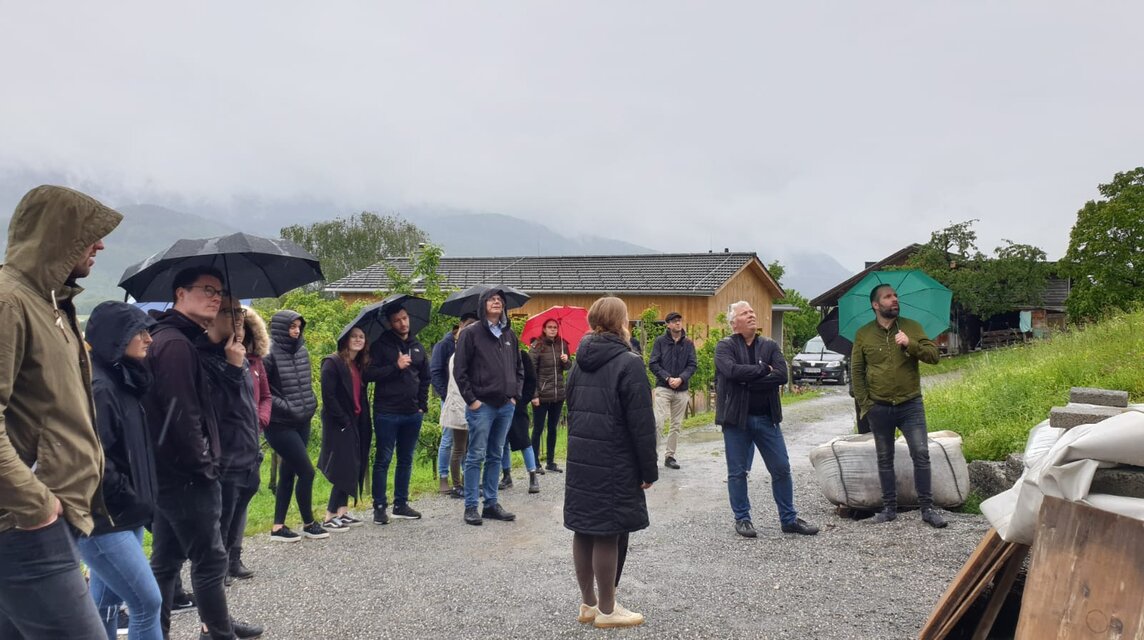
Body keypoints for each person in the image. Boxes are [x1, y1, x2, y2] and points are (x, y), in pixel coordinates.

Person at [0, 185, 122, 639]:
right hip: (25, 525)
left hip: (41, 520)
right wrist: (38, 505)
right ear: (56, 237)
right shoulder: (9, 302)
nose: (100, 244)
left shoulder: (47, 302)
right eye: (89, 234)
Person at [144, 266, 262, 639]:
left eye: (220, 292)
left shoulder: (176, 338)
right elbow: (183, 415)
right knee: (210, 561)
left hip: (173, 473)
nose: (215, 297)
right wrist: (205, 467)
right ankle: (218, 634)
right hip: (187, 475)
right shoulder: (176, 344)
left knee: (165, 562)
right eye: (207, 290)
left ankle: (161, 632)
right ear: (180, 293)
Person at [564, 296, 658, 629]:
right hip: (615, 458)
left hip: (581, 456)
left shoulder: (578, 361)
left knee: (584, 527)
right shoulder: (628, 363)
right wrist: (648, 469)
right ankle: (608, 610)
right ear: (620, 323)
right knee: (608, 530)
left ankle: (588, 604)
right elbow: (642, 424)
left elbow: (570, 409)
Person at [80, 302, 163, 640]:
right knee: (147, 603)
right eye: (139, 332)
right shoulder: (101, 388)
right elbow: (93, 462)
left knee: (106, 604)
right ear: (116, 338)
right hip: (105, 520)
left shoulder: (124, 380)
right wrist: (133, 501)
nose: (149, 339)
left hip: (127, 514)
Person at [715, 300, 819, 539]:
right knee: (737, 472)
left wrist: (747, 379)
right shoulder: (724, 347)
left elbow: (782, 375)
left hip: (766, 418)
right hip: (736, 421)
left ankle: (789, 519)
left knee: (781, 468)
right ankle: (742, 519)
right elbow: (731, 372)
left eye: (752, 311)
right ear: (734, 323)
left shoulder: (769, 345)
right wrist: (763, 370)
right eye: (745, 313)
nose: (752, 315)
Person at [851, 284, 947, 528]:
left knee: (921, 453)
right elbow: (857, 371)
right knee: (884, 458)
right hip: (879, 407)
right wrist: (866, 405)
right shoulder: (863, 334)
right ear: (876, 305)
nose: (894, 299)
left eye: (895, 295)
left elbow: (934, 356)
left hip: (910, 405)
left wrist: (910, 343)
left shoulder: (911, 327)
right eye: (888, 297)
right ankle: (888, 509)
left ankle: (927, 509)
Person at [197, 297, 262, 587]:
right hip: (225, 455)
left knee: (238, 514)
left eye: (240, 312)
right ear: (212, 316)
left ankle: (233, 560)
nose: (238, 318)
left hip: (249, 450)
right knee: (221, 521)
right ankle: (217, 575)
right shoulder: (204, 358)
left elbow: (249, 404)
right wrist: (233, 368)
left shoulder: (240, 354)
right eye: (230, 312)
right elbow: (218, 408)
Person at [453, 288, 524, 526]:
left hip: (505, 405)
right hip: (481, 406)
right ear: (483, 305)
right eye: (492, 299)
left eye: (500, 300)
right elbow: (459, 371)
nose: (496, 302)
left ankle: (491, 504)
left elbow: (519, 367)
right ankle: (471, 505)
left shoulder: (508, 335)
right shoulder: (471, 334)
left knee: (496, 454)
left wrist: (515, 395)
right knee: (476, 455)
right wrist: (472, 400)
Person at [365, 304, 430, 524]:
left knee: (406, 460)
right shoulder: (380, 346)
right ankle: (380, 506)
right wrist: (396, 365)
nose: (402, 323)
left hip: (412, 413)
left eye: (404, 318)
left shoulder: (418, 346)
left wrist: (422, 405)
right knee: (383, 459)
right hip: (387, 412)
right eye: (397, 320)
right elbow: (369, 374)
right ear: (390, 323)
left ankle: (400, 504)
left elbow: (425, 378)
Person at [263, 311, 325, 541]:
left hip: (302, 420)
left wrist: (310, 402)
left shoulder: (303, 351)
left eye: (298, 326)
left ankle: (278, 527)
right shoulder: (268, 353)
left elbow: (305, 384)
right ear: (280, 328)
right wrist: (288, 407)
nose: (296, 330)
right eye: (291, 327)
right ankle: (309, 522)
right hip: (279, 424)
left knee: (288, 471)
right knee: (306, 472)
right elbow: (264, 392)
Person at [228, 305, 273, 580]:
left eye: (243, 325)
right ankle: (218, 563)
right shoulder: (222, 359)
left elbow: (266, 396)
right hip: (230, 442)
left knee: (244, 498)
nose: (239, 329)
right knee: (228, 502)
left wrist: (261, 420)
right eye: (234, 323)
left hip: (252, 438)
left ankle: (235, 556)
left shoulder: (256, 362)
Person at [318, 327, 372, 531]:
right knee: (343, 465)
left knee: (352, 464)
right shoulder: (332, 363)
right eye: (354, 336)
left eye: (361, 336)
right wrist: (343, 420)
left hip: (356, 420)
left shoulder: (357, 364)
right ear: (345, 339)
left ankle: (342, 511)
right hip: (339, 423)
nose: (358, 339)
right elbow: (328, 396)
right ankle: (330, 515)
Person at [431, 313, 477, 496]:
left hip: (469, 402)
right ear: (460, 326)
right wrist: (446, 395)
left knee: (467, 445)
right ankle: (446, 479)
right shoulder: (445, 346)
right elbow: (436, 372)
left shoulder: (473, 349)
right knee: (450, 442)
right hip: (454, 400)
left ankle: (466, 482)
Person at [648, 311, 697, 470]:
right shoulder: (660, 342)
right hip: (663, 387)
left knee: (676, 425)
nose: (678, 323)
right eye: (674, 321)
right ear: (668, 324)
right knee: (658, 422)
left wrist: (681, 378)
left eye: (679, 321)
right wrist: (668, 378)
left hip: (681, 389)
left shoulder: (688, 343)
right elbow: (653, 363)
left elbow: (692, 365)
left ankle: (670, 456)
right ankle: (651, 457)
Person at [530, 319, 570, 473]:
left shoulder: (562, 344)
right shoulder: (537, 346)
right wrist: (534, 395)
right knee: (538, 429)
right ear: (544, 329)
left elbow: (568, 367)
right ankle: (535, 463)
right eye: (550, 327)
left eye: (555, 327)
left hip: (558, 394)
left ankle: (550, 461)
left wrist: (566, 361)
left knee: (553, 428)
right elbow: (531, 371)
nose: (553, 330)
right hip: (540, 395)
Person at [501, 349, 542, 494]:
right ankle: (506, 476)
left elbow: (531, 378)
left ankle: (533, 476)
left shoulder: (521, 355)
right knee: (502, 441)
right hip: (499, 403)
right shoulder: (495, 351)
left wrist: (523, 400)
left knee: (524, 441)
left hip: (517, 405)